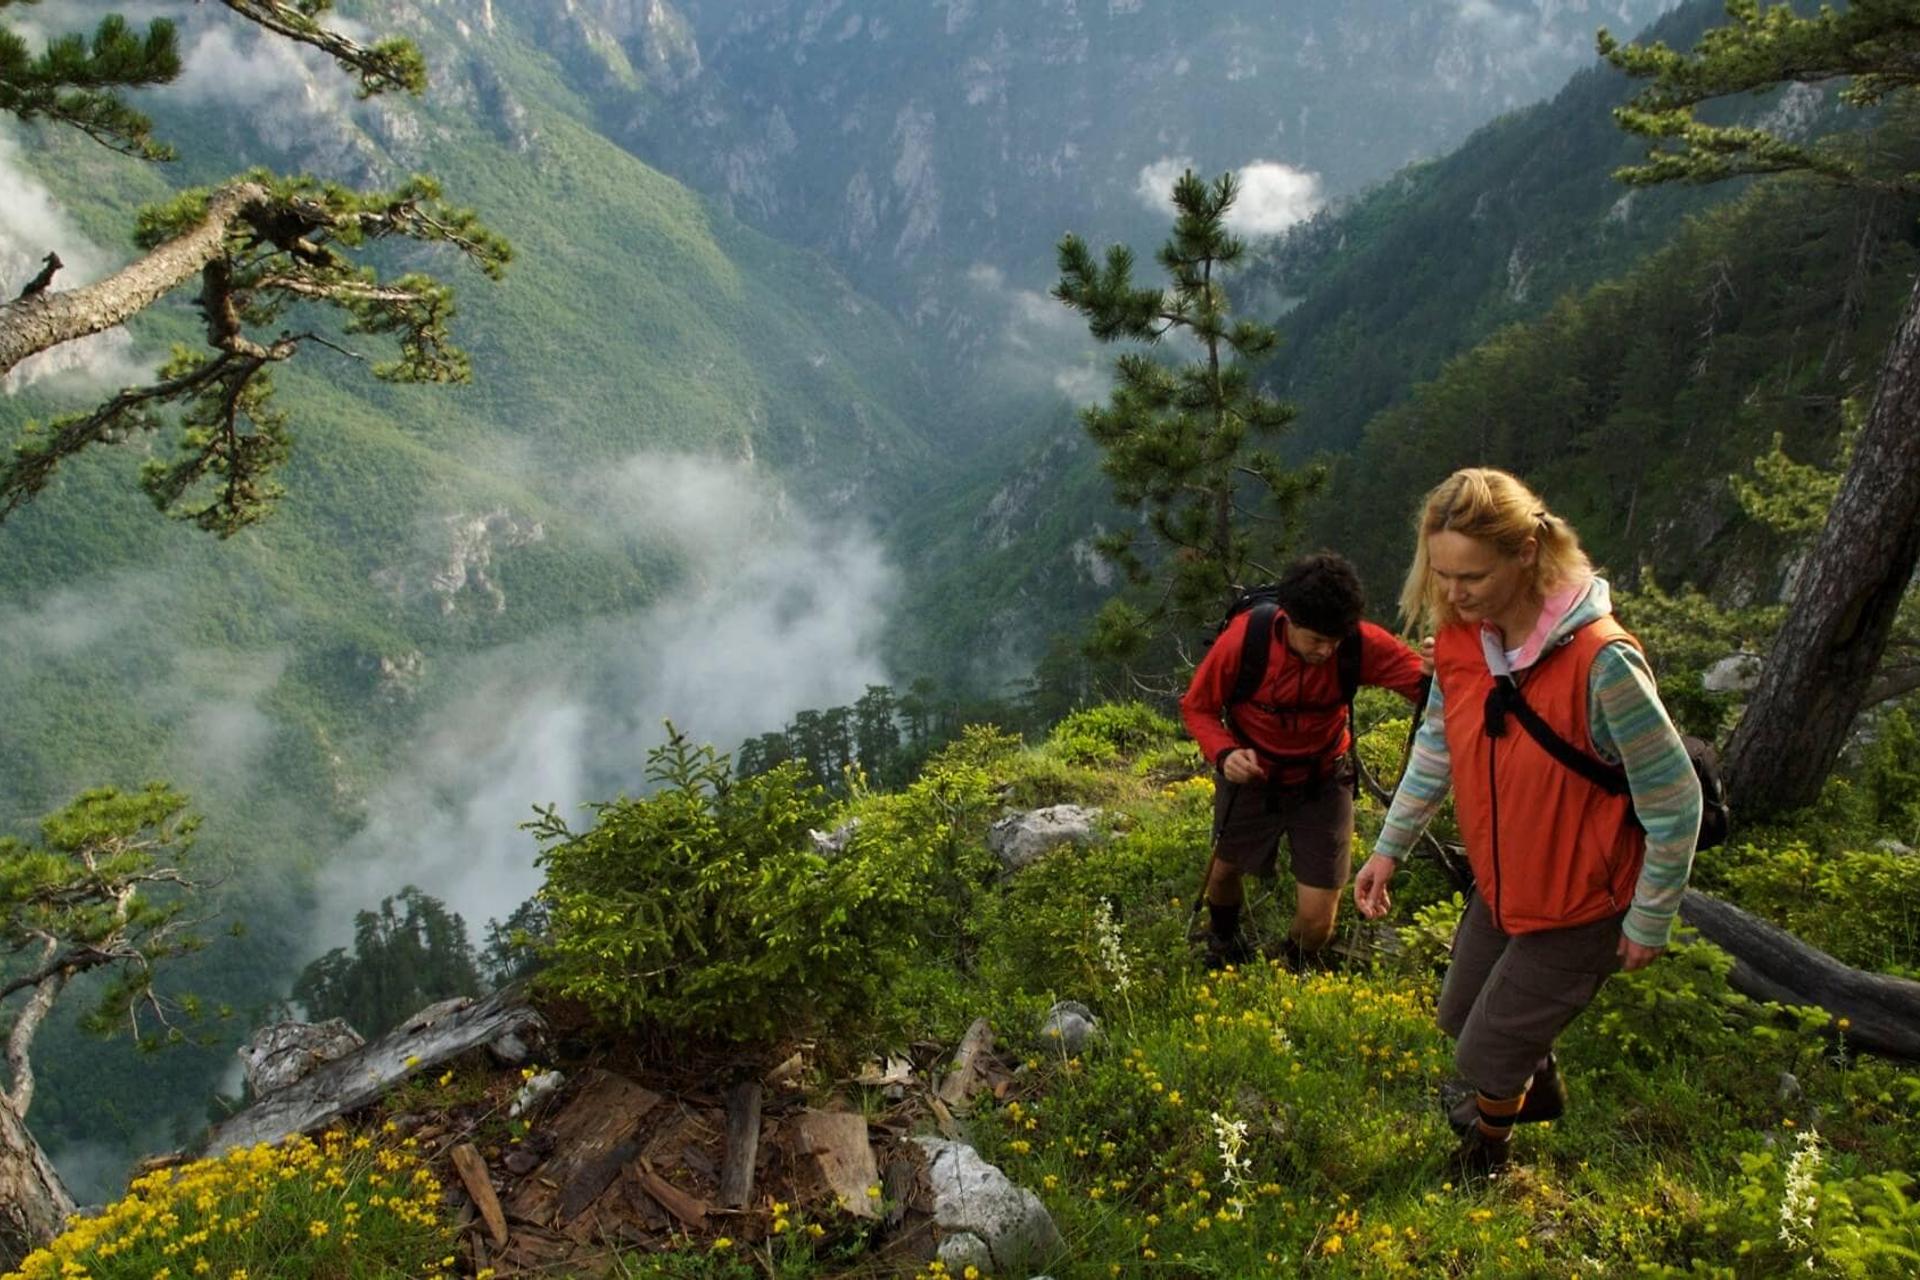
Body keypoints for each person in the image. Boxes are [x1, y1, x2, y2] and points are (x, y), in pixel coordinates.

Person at [1353, 467, 1703, 1179]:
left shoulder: (1602, 664)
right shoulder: (1461, 640)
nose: (1452, 594)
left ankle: (1488, 1154)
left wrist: (1650, 917)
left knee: (1482, 1053)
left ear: (1525, 555)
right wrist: (1388, 850)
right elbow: (1436, 746)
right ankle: (1524, 1077)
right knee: (1459, 1016)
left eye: (1471, 576)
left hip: (1584, 902)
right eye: (1441, 574)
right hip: (1505, 884)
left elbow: (1675, 799)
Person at [1181, 552, 1426, 972]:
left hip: (1323, 781)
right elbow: (1198, 707)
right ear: (1288, 618)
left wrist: (1445, 669)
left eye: (1336, 639)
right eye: (1316, 639)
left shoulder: (1357, 644)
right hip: (1252, 776)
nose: (1327, 650)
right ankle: (1224, 939)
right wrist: (1224, 753)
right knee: (1223, 875)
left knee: (1317, 920)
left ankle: (1288, 968)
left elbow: (1425, 687)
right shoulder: (1246, 640)